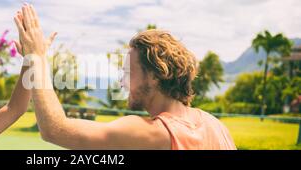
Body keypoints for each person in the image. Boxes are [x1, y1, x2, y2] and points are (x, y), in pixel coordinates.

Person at [13, 3, 236, 150]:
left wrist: (36, 57)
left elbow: (54, 130)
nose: (122, 82)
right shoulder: (217, 127)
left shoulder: (154, 132)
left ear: (156, 76)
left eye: (128, 72)